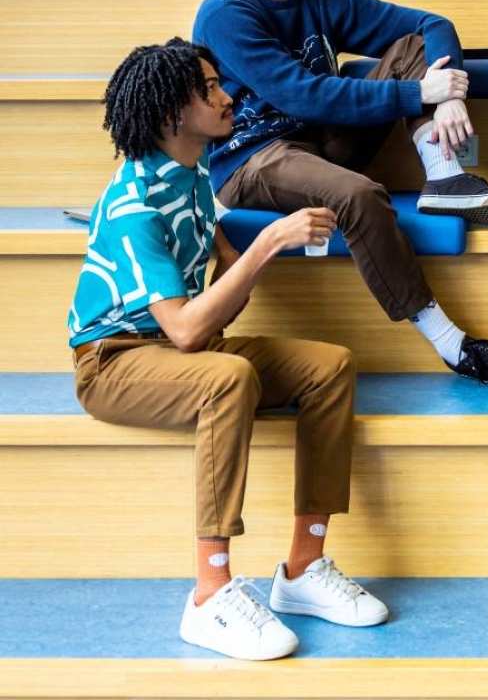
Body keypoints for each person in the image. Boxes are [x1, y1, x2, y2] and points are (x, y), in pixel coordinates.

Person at [68, 38, 388, 661]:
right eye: (210, 89)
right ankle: (210, 592)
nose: (226, 96)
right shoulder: (134, 203)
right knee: (228, 377)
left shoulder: (191, 177)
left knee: (330, 366)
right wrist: (268, 244)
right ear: (170, 114)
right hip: (114, 362)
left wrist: (244, 256)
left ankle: (302, 570)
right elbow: (187, 331)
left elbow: (213, 309)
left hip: (182, 349)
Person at [193, 0, 488, 387]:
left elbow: (429, 24)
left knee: (412, 46)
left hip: (317, 143)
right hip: (253, 158)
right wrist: (419, 95)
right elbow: (302, 94)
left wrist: (450, 96)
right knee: (357, 194)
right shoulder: (226, 12)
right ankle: (453, 345)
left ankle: (444, 180)